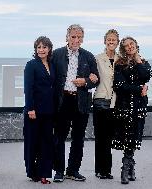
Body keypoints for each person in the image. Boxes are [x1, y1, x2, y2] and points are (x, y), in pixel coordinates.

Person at [52, 24, 99, 182]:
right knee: (59, 136)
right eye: (73, 37)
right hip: (62, 101)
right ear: (67, 37)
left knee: (78, 138)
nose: (76, 40)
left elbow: (95, 80)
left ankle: (72, 170)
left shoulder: (88, 56)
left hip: (81, 102)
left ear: (83, 39)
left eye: (79, 37)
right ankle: (59, 171)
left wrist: (85, 81)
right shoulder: (56, 54)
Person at [112, 36, 152, 184]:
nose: (129, 47)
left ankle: (127, 166)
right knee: (127, 136)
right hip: (124, 106)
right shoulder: (120, 64)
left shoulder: (144, 63)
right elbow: (120, 86)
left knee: (134, 136)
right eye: (126, 45)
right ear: (123, 49)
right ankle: (127, 167)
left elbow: (146, 76)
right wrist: (139, 88)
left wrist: (139, 61)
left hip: (139, 105)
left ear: (136, 45)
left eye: (131, 44)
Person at [23, 36, 54, 184]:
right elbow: (28, 89)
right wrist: (30, 108)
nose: (41, 50)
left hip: (49, 111)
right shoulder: (31, 65)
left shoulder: (51, 64)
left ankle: (44, 174)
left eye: (44, 47)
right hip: (34, 111)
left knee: (46, 143)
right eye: (39, 47)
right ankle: (32, 172)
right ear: (36, 49)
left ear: (49, 49)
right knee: (32, 143)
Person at [93, 29, 120, 179]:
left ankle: (107, 170)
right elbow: (92, 78)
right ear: (105, 41)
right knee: (100, 137)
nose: (111, 42)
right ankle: (99, 170)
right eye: (109, 39)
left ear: (117, 42)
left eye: (114, 40)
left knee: (109, 137)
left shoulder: (121, 59)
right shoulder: (97, 59)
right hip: (100, 100)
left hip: (115, 102)